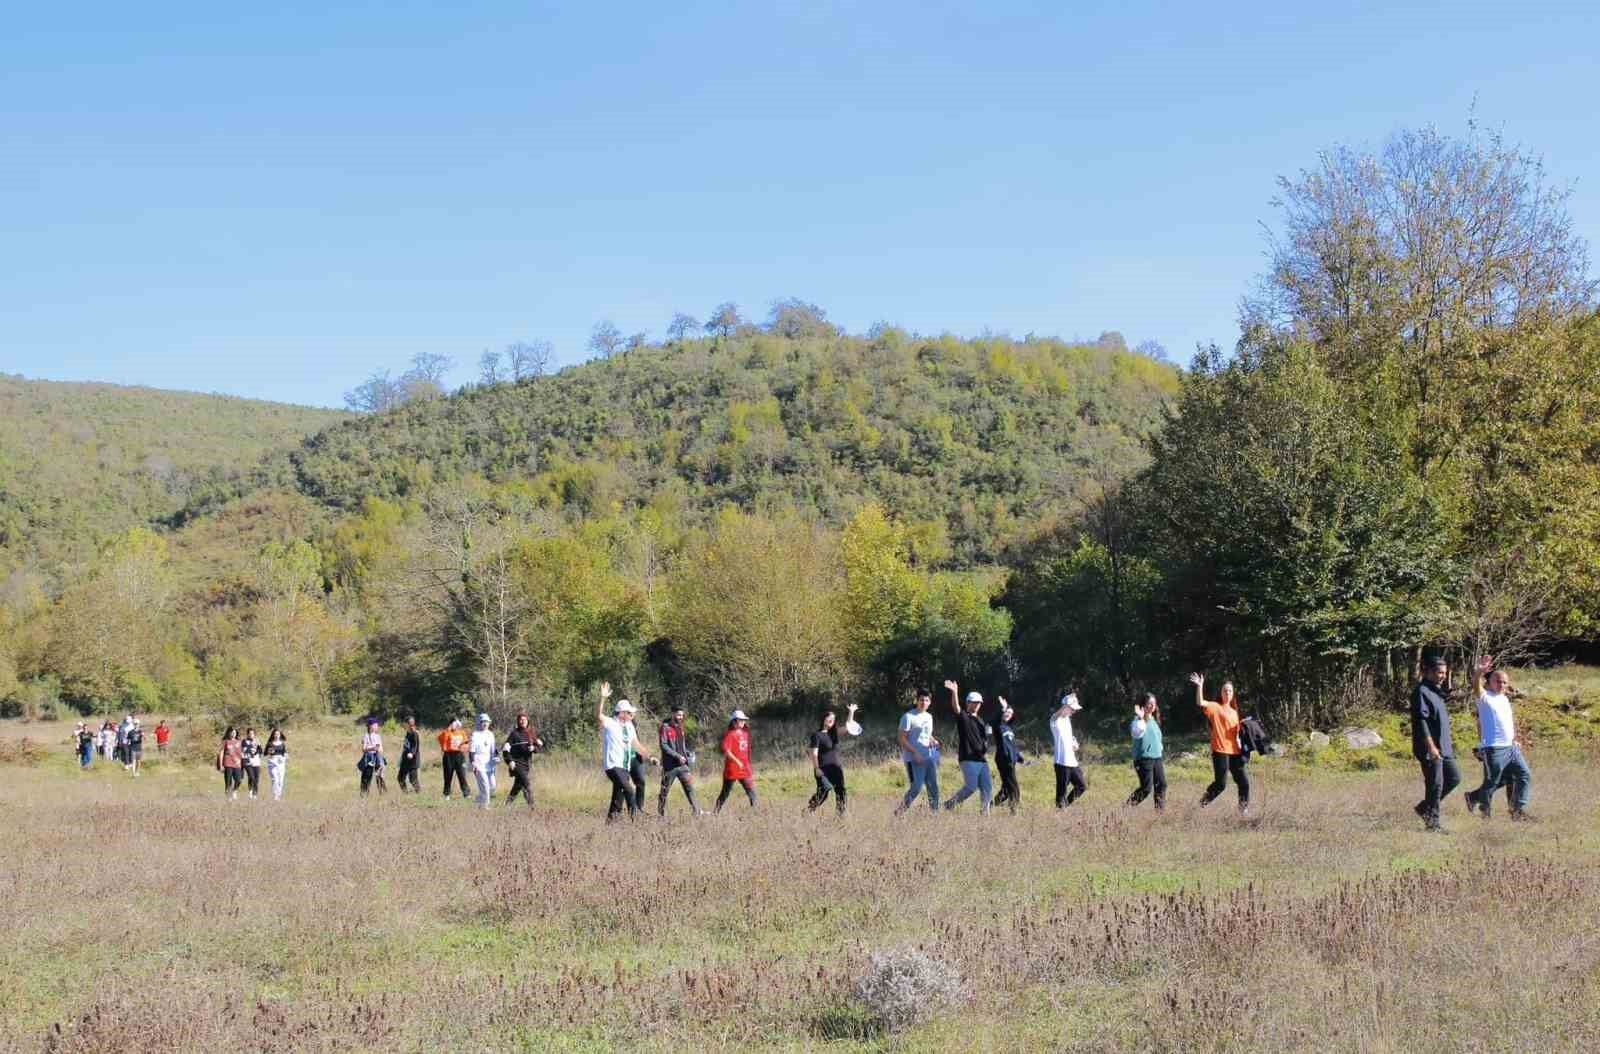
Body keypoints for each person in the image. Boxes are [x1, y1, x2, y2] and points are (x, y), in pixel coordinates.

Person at [1465, 656, 1533, 821]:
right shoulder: (1484, 698)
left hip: (1511, 748)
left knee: (1523, 775)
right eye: (1498, 681)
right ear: (1489, 682)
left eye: (1504, 682)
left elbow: (1508, 722)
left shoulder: (1504, 699)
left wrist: (1514, 739)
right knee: (1492, 782)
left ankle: (1517, 810)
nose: (1501, 684)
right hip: (1494, 748)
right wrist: (1479, 672)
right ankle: (1484, 814)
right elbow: (1476, 686)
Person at [1410, 655, 1459, 831]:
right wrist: (1431, 747)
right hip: (1430, 748)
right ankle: (1433, 824)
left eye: (1444, 673)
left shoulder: (1436, 691)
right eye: (1439, 672)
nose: (1443, 676)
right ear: (1427, 672)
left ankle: (1425, 808)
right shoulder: (1421, 692)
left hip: (1444, 747)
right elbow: (1421, 722)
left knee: (1454, 778)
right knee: (1435, 784)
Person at [1190, 673, 1250, 814]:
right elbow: (1200, 702)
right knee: (1221, 784)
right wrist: (1200, 686)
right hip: (1220, 751)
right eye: (1225, 690)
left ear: (1233, 694)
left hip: (1235, 752)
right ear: (1221, 693)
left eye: (1230, 691)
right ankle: (1200, 805)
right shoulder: (1216, 707)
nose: (1227, 693)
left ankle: (1243, 811)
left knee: (1244, 783)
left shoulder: (1235, 712)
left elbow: (1237, 733)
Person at [597, 682, 653, 821]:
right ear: (622, 713)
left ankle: (611, 822)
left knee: (618, 797)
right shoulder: (610, 723)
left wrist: (649, 757)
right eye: (629, 712)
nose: (632, 715)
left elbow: (636, 744)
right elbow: (598, 715)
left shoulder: (629, 726)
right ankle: (636, 819)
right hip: (613, 766)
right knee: (629, 789)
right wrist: (603, 698)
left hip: (625, 767)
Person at [942, 682, 993, 813]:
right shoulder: (964, 717)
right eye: (974, 702)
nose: (976, 705)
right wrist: (954, 692)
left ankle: (985, 814)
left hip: (982, 760)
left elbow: (984, 739)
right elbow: (956, 708)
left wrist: (986, 743)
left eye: (978, 703)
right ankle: (948, 805)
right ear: (968, 703)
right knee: (971, 787)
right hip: (968, 758)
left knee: (987, 788)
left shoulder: (981, 721)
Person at [806, 704, 862, 814]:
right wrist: (817, 768)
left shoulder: (834, 733)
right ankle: (809, 810)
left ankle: (840, 816)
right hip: (822, 769)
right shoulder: (816, 735)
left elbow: (848, 727)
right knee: (825, 789)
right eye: (829, 718)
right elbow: (814, 754)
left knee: (841, 791)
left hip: (836, 768)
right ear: (824, 719)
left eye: (834, 719)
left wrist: (851, 712)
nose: (832, 720)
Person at [894, 688, 942, 816]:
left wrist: (933, 740)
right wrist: (915, 752)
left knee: (933, 786)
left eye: (926, 700)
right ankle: (899, 812)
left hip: (928, 757)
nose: (923, 702)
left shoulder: (929, 717)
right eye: (921, 700)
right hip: (913, 759)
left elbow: (927, 734)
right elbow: (902, 738)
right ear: (916, 701)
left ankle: (935, 814)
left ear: (929, 702)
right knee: (916, 787)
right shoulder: (908, 717)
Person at [657, 705, 704, 817]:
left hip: (683, 765)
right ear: (672, 714)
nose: (680, 717)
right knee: (664, 790)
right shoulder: (665, 727)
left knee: (690, 788)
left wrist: (688, 753)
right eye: (678, 715)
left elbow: (681, 746)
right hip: (670, 766)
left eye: (682, 715)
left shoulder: (680, 727)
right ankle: (661, 814)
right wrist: (677, 756)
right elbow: (663, 745)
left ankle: (697, 812)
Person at [1126, 694, 1166, 810]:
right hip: (1143, 759)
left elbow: (1157, 739)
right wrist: (1140, 718)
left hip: (1157, 758)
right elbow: (1136, 733)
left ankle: (1160, 813)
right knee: (1146, 788)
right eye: (1149, 703)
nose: (1152, 706)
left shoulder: (1154, 720)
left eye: (1154, 703)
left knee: (1161, 785)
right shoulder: (1137, 720)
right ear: (1143, 705)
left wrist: (1159, 748)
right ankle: (1126, 808)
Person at [715, 711, 757, 812]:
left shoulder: (745, 733)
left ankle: (755, 812)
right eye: (741, 720)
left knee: (751, 791)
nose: (743, 722)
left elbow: (747, 750)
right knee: (725, 793)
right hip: (732, 770)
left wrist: (748, 764)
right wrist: (737, 761)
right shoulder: (730, 734)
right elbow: (726, 751)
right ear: (734, 722)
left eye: (744, 720)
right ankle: (716, 812)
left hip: (744, 769)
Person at [1051, 692, 1088, 807]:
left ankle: (1065, 806)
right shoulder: (1055, 720)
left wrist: (1074, 743)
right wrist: (1067, 702)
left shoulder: (1067, 720)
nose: (1074, 712)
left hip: (1072, 762)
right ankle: (1060, 810)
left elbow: (1069, 736)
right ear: (1065, 707)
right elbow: (1056, 715)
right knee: (1061, 793)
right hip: (1061, 762)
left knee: (1081, 786)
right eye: (1072, 709)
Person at [503, 712, 542, 808]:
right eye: (520, 720)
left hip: (527, 764)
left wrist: (534, 748)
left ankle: (507, 804)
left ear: (527, 721)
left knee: (518, 785)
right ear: (518, 721)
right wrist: (510, 761)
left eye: (524, 720)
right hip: (516, 763)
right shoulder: (514, 734)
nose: (522, 721)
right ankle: (532, 806)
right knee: (526, 782)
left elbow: (539, 747)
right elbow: (505, 750)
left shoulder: (531, 733)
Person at [469, 713, 497, 809]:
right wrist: (473, 763)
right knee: (485, 785)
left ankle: (479, 799)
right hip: (478, 764)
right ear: (479, 723)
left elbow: (494, 749)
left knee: (492, 786)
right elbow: (471, 751)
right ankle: (485, 806)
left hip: (489, 763)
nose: (485, 724)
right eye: (483, 722)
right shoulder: (475, 735)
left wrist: (496, 757)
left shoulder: (491, 734)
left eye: (487, 722)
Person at [437, 719, 470, 799]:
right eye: (454, 723)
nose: (456, 725)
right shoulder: (446, 732)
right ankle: (447, 794)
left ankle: (466, 794)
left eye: (457, 723)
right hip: (448, 755)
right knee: (448, 776)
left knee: (462, 775)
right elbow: (442, 740)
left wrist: (464, 748)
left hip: (459, 755)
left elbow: (466, 743)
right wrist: (448, 730)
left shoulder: (462, 732)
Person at [358, 718, 387, 796]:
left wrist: (379, 750)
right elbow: (363, 749)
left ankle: (383, 794)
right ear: (371, 726)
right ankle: (364, 794)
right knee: (367, 777)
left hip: (378, 757)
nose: (377, 727)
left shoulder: (378, 736)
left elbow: (381, 748)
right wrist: (372, 748)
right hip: (369, 759)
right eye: (375, 725)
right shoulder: (366, 736)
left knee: (379, 776)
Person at [397, 716, 422, 793]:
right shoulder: (408, 733)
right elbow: (406, 746)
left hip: (412, 760)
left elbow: (415, 745)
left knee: (413, 779)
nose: (404, 725)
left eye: (411, 723)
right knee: (400, 777)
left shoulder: (414, 733)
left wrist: (411, 753)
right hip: (405, 759)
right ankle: (405, 793)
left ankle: (419, 793)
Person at [217, 727, 243, 800]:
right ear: (228, 733)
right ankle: (229, 798)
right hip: (228, 763)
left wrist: (242, 761)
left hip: (237, 764)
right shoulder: (225, 741)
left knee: (238, 780)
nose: (233, 734)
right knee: (228, 781)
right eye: (231, 732)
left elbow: (241, 753)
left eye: (234, 733)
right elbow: (221, 753)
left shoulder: (239, 742)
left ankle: (234, 791)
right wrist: (221, 765)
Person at [264, 728, 288, 801]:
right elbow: (265, 753)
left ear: (280, 735)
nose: (277, 735)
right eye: (275, 734)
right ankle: (275, 795)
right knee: (275, 779)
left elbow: (285, 753)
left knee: (281, 780)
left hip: (281, 763)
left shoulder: (282, 744)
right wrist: (269, 752)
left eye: (278, 734)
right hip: (272, 763)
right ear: (273, 735)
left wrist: (285, 757)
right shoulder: (270, 743)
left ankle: (279, 794)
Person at [240, 727, 262, 799]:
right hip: (247, 761)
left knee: (256, 778)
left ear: (254, 734)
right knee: (251, 776)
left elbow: (260, 751)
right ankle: (250, 791)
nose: (251, 735)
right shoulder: (244, 741)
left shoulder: (257, 740)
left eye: (252, 733)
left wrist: (258, 746)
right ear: (247, 734)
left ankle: (255, 793)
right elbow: (242, 751)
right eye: (249, 733)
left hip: (256, 761)